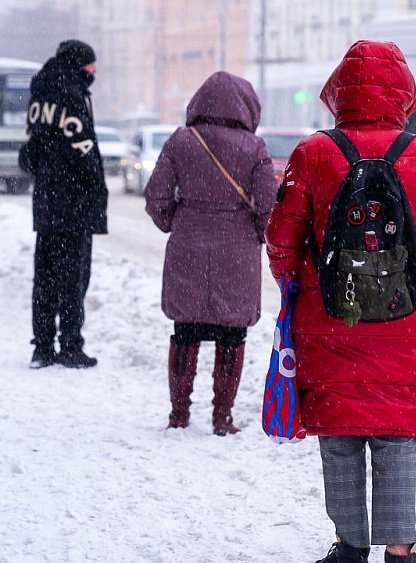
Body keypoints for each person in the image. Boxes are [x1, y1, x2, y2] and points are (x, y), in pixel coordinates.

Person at [266, 41, 416, 563]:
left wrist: (301, 283)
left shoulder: (313, 153)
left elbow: (282, 237)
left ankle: (351, 546)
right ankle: (400, 549)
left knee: (339, 432)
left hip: (330, 314)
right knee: (396, 434)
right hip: (407, 318)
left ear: (339, 90)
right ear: (404, 93)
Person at [145, 72, 275, 436]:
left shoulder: (181, 141)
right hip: (237, 252)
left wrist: (176, 221)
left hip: (188, 244)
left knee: (185, 330)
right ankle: (222, 416)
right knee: (232, 334)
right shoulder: (254, 148)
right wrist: (255, 232)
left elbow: (156, 195)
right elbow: (269, 205)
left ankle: (179, 414)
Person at [20, 40, 107, 369]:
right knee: (73, 279)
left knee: (44, 278)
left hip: (46, 201)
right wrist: (95, 189)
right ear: (78, 66)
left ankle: (42, 347)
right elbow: (84, 151)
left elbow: (32, 150)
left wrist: (47, 176)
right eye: (90, 66)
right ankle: (70, 346)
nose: (93, 72)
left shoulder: (40, 92)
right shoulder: (71, 95)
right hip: (74, 204)